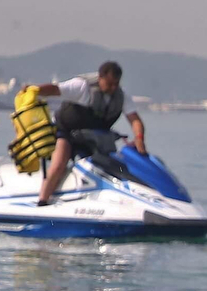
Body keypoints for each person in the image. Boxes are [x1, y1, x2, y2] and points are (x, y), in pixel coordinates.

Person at [32, 61, 145, 205]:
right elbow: (55, 89)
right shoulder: (82, 86)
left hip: (92, 138)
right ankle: (43, 200)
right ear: (100, 78)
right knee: (59, 163)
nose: (113, 88)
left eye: (116, 84)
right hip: (66, 132)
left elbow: (135, 120)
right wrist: (33, 90)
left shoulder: (121, 96)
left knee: (109, 168)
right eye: (110, 84)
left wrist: (139, 138)